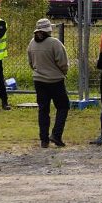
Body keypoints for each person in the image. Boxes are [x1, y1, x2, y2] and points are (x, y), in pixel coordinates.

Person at [27, 18, 70, 148]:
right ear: (49, 30)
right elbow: (63, 63)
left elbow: (30, 63)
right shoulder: (55, 43)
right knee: (63, 107)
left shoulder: (32, 44)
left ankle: (44, 140)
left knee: (43, 110)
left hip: (39, 81)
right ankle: (56, 135)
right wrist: (63, 72)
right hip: (55, 81)